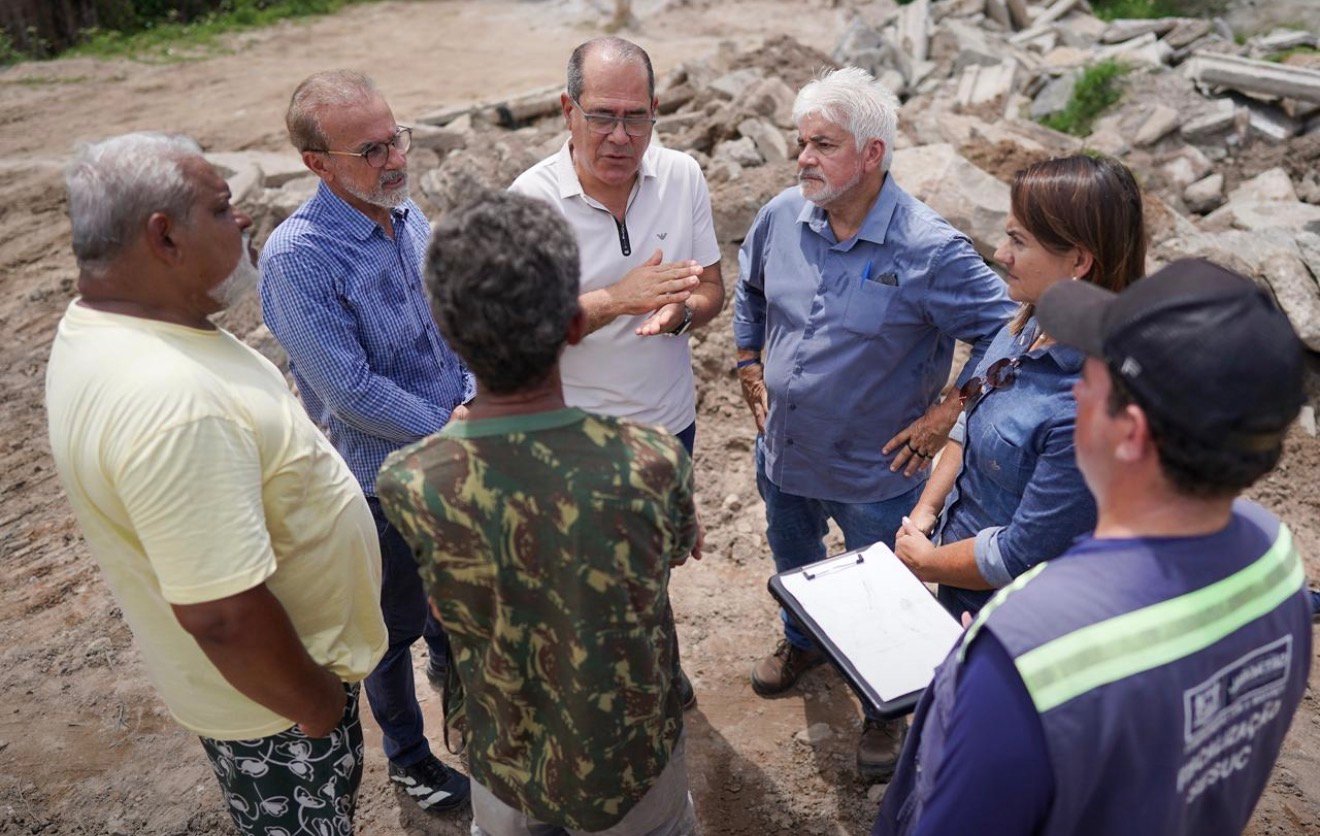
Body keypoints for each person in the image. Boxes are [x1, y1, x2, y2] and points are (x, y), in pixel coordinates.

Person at [874, 258, 1312, 835]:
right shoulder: (1275, 556)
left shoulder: (1023, 652)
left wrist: (980, 685)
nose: (1076, 388)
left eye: (1093, 372)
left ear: (1128, 431)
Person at [45, 132, 387, 835]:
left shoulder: (116, 327)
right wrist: (318, 704)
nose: (246, 220)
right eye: (224, 207)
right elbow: (222, 614)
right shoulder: (173, 400)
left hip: (270, 698)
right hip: (278, 714)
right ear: (163, 236)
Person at [378, 191, 699, 836]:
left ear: (446, 332)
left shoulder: (412, 481)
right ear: (575, 325)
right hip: (630, 760)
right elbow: (669, 554)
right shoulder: (650, 460)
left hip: (506, 755)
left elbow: (442, 606)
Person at [731, 66, 1015, 779]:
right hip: (786, 456)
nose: (803, 158)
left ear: (872, 154)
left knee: (883, 596)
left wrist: (949, 409)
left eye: (822, 144)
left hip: (875, 472)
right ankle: (803, 640)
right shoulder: (780, 217)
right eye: (801, 143)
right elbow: (752, 289)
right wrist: (745, 361)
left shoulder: (929, 248)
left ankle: (885, 710)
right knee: (793, 557)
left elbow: (1006, 330)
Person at [259, 70, 471, 813]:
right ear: (317, 164)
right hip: (382, 484)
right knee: (387, 631)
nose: (394, 159)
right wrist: (452, 427)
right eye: (371, 149)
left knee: (455, 599)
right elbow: (348, 393)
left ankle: (455, 682)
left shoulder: (406, 214)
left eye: (397, 137)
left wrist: (475, 398)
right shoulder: (298, 258)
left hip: (453, 455)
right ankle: (410, 759)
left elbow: (452, 321)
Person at [509, 36, 722, 709]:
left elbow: (711, 289)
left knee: (658, 564)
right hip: (578, 442)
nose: (621, 136)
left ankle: (657, 656)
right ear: (566, 110)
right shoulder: (531, 202)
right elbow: (522, 333)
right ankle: (605, 696)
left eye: (637, 117)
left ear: (657, 112)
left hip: (669, 429)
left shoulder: (683, 175)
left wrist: (681, 313)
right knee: (583, 586)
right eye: (603, 115)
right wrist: (619, 299)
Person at [893, 155, 1146, 617]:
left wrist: (930, 563)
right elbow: (969, 420)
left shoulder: (1089, 406)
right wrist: (927, 513)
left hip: (1020, 622)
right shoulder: (1026, 324)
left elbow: (1023, 554)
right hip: (962, 583)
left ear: (1079, 261)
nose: (1000, 254)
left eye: (1018, 242)